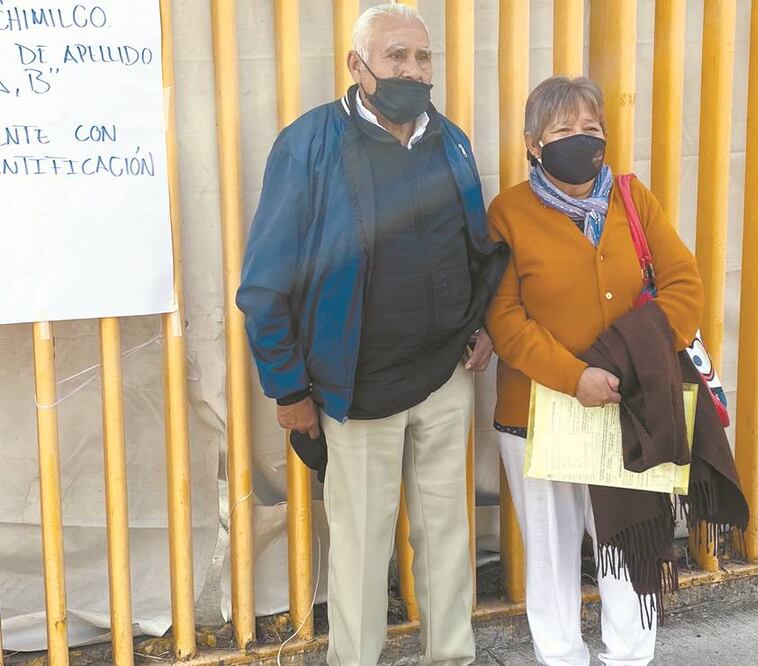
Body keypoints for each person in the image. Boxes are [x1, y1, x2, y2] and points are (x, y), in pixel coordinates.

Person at [236, 4, 506, 664]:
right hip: (356, 390)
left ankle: (452, 656)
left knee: (447, 535)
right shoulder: (308, 145)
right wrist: (288, 389)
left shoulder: (451, 140)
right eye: (395, 57)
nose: (413, 69)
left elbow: (472, 245)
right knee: (360, 549)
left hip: (444, 379)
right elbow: (265, 285)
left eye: (422, 57)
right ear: (357, 67)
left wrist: (478, 324)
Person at [484, 76, 705, 665]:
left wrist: (630, 361)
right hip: (535, 412)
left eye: (591, 128)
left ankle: (629, 657)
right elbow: (504, 319)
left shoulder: (634, 198)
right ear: (533, 143)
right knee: (552, 556)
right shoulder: (508, 212)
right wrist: (572, 376)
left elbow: (684, 285)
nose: (580, 140)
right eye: (562, 131)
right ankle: (561, 658)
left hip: (627, 401)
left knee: (627, 541)